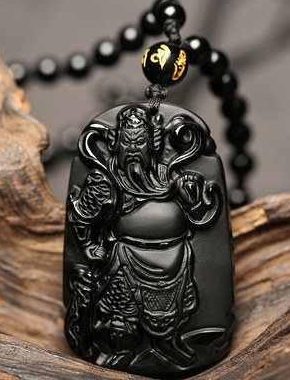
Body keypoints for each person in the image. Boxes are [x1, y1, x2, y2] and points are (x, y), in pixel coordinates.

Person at [66, 105, 220, 371]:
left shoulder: (165, 175)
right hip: (127, 259)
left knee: (178, 307)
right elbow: (80, 215)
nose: (133, 149)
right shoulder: (105, 181)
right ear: (115, 144)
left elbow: (200, 217)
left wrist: (191, 197)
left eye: (140, 142)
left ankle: (167, 343)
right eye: (127, 142)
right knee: (123, 311)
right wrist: (89, 245)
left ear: (153, 145)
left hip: (176, 259)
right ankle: (122, 351)